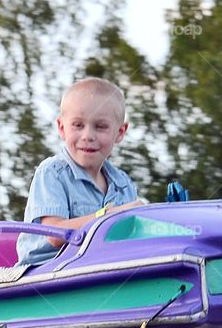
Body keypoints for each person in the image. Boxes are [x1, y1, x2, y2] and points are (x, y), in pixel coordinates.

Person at [16, 77, 144, 265]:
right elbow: (55, 234)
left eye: (100, 127)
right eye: (78, 125)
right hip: (47, 273)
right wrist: (110, 216)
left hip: (101, 269)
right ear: (62, 127)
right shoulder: (52, 172)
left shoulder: (122, 184)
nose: (88, 136)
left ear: (120, 132)